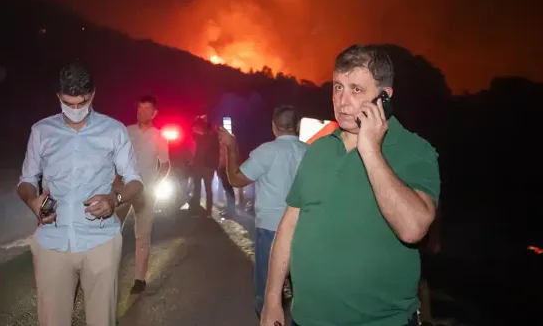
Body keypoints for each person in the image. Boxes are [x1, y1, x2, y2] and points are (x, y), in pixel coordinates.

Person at [261, 45, 441, 326]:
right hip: (305, 320)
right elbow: (289, 225)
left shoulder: (415, 151)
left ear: (384, 97)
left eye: (356, 90)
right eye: (338, 87)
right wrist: (272, 300)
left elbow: (413, 228)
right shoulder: (318, 150)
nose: (342, 102)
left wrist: (370, 150)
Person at [17, 62, 143, 326]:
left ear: (93, 94)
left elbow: (134, 181)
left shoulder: (113, 130)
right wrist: (32, 201)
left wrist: (114, 200)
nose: (75, 110)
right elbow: (27, 180)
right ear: (58, 97)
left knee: (101, 321)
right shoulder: (41, 131)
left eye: (81, 102)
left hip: (100, 241)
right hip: (52, 240)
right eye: (68, 103)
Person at [218, 105, 308, 318]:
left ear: (274, 127)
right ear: (297, 126)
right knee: (302, 290)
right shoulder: (310, 152)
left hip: (270, 229)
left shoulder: (266, 152)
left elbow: (236, 180)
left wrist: (232, 147)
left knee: (268, 292)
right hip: (303, 228)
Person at [123, 95, 170, 294]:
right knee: (110, 230)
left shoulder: (159, 136)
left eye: (146, 109)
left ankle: (139, 278)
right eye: (139, 108)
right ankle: (103, 272)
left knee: (142, 235)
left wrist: (154, 185)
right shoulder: (126, 132)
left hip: (146, 192)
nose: (142, 112)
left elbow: (165, 164)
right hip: (124, 190)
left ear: (154, 113)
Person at [188, 116, 219, 215]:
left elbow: (198, 151)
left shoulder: (204, 137)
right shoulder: (211, 136)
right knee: (206, 189)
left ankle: (199, 211)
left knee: (199, 189)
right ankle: (206, 211)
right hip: (206, 166)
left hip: (203, 166)